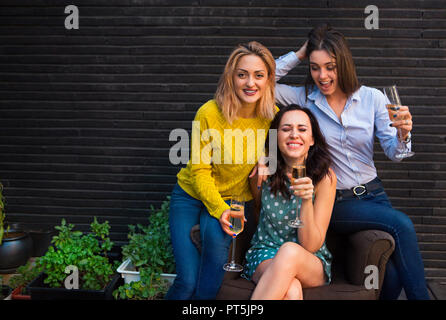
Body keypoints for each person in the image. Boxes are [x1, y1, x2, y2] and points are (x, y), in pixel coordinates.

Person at [271, 24, 429, 300]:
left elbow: (395, 152)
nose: (322, 76)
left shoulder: (372, 98)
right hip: (336, 201)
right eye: (315, 67)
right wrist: (298, 54)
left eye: (330, 67)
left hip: (374, 195)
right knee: (402, 224)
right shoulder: (304, 98)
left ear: (343, 64)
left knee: (389, 276)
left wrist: (404, 134)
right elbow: (264, 82)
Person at [165, 41, 277, 300]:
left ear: (269, 79)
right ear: (231, 77)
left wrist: (267, 160)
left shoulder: (272, 116)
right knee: (187, 282)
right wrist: (220, 209)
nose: (250, 83)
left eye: (259, 75)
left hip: (235, 200)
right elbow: (200, 171)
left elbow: (292, 145)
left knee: (210, 276)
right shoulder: (209, 113)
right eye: (242, 74)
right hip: (191, 196)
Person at [244, 104, 336, 300]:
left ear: (312, 140)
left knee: (290, 251)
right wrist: (261, 155)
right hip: (265, 254)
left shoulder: (325, 178)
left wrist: (306, 201)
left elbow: (311, 245)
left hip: (310, 260)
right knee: (291, 289)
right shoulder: (262, 172)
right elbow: (256, 210)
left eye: (302, 129)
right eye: (286, 129)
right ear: (276, 137)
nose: (294, 134)